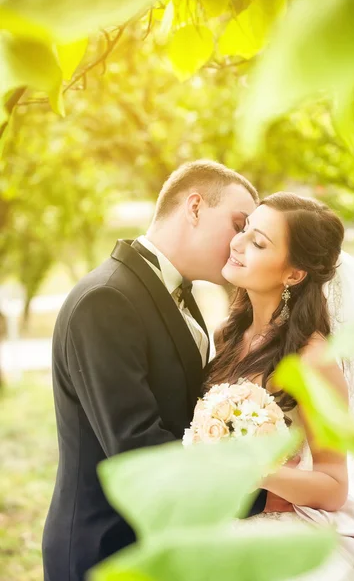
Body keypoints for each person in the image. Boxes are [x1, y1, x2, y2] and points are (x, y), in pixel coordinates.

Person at [42, 160, 259, 581]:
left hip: (156, 541)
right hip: (105, 549)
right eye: (238, 225)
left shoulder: (178, 294)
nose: (241, 245)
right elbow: (137, 446)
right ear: (194, 207)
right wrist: (260, 491)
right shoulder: (105, 299)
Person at [208, 192, 354, 579]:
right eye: (244, 230)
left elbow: (334, 484)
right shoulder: (228, 335)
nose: (237, 244)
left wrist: (254, 470)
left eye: (258, 243)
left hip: (278, 534)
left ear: (294, 274)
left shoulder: (311, 361)